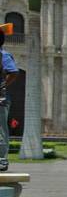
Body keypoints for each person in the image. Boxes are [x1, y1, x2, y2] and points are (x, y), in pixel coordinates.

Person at [0, 30, 19, 172]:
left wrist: (2, 86)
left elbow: (13, 72)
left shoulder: (3, 55)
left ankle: (1, 160)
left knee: (0, 130)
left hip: (0, 99)